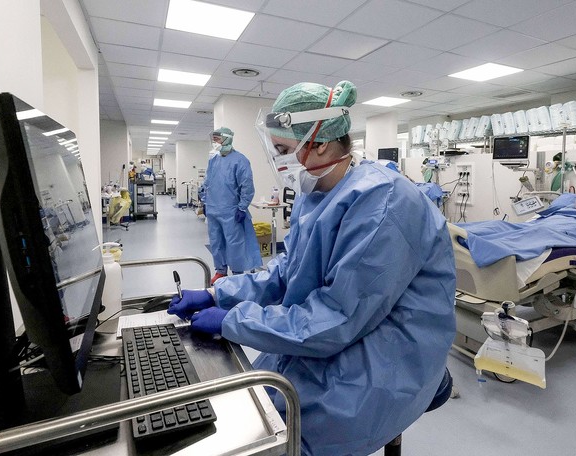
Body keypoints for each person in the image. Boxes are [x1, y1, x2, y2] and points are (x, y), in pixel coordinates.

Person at [168, 81, 456, 455]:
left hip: (389, 353)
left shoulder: (383, 203)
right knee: (254, 401)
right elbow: (287, 271)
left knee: (287, 435)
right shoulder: (315, 194)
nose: (277, 161)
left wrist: (231, 321)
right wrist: (215, 293)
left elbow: (337, 317)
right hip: (333, 336)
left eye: (283, 150)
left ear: (319, 143)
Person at [202, 127, 262, 284]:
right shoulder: (213, 160)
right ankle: (221, 271)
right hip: (213, 209)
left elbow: (247, 186)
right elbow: (207, 182)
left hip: (231, 211)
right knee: (216, 241)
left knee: (234, 243)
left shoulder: (240, 160)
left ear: (227, 139)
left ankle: (237, 272)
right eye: (214, 139)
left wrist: (242, 207)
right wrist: (204, 200)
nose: (215, 142)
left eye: (218, 139)